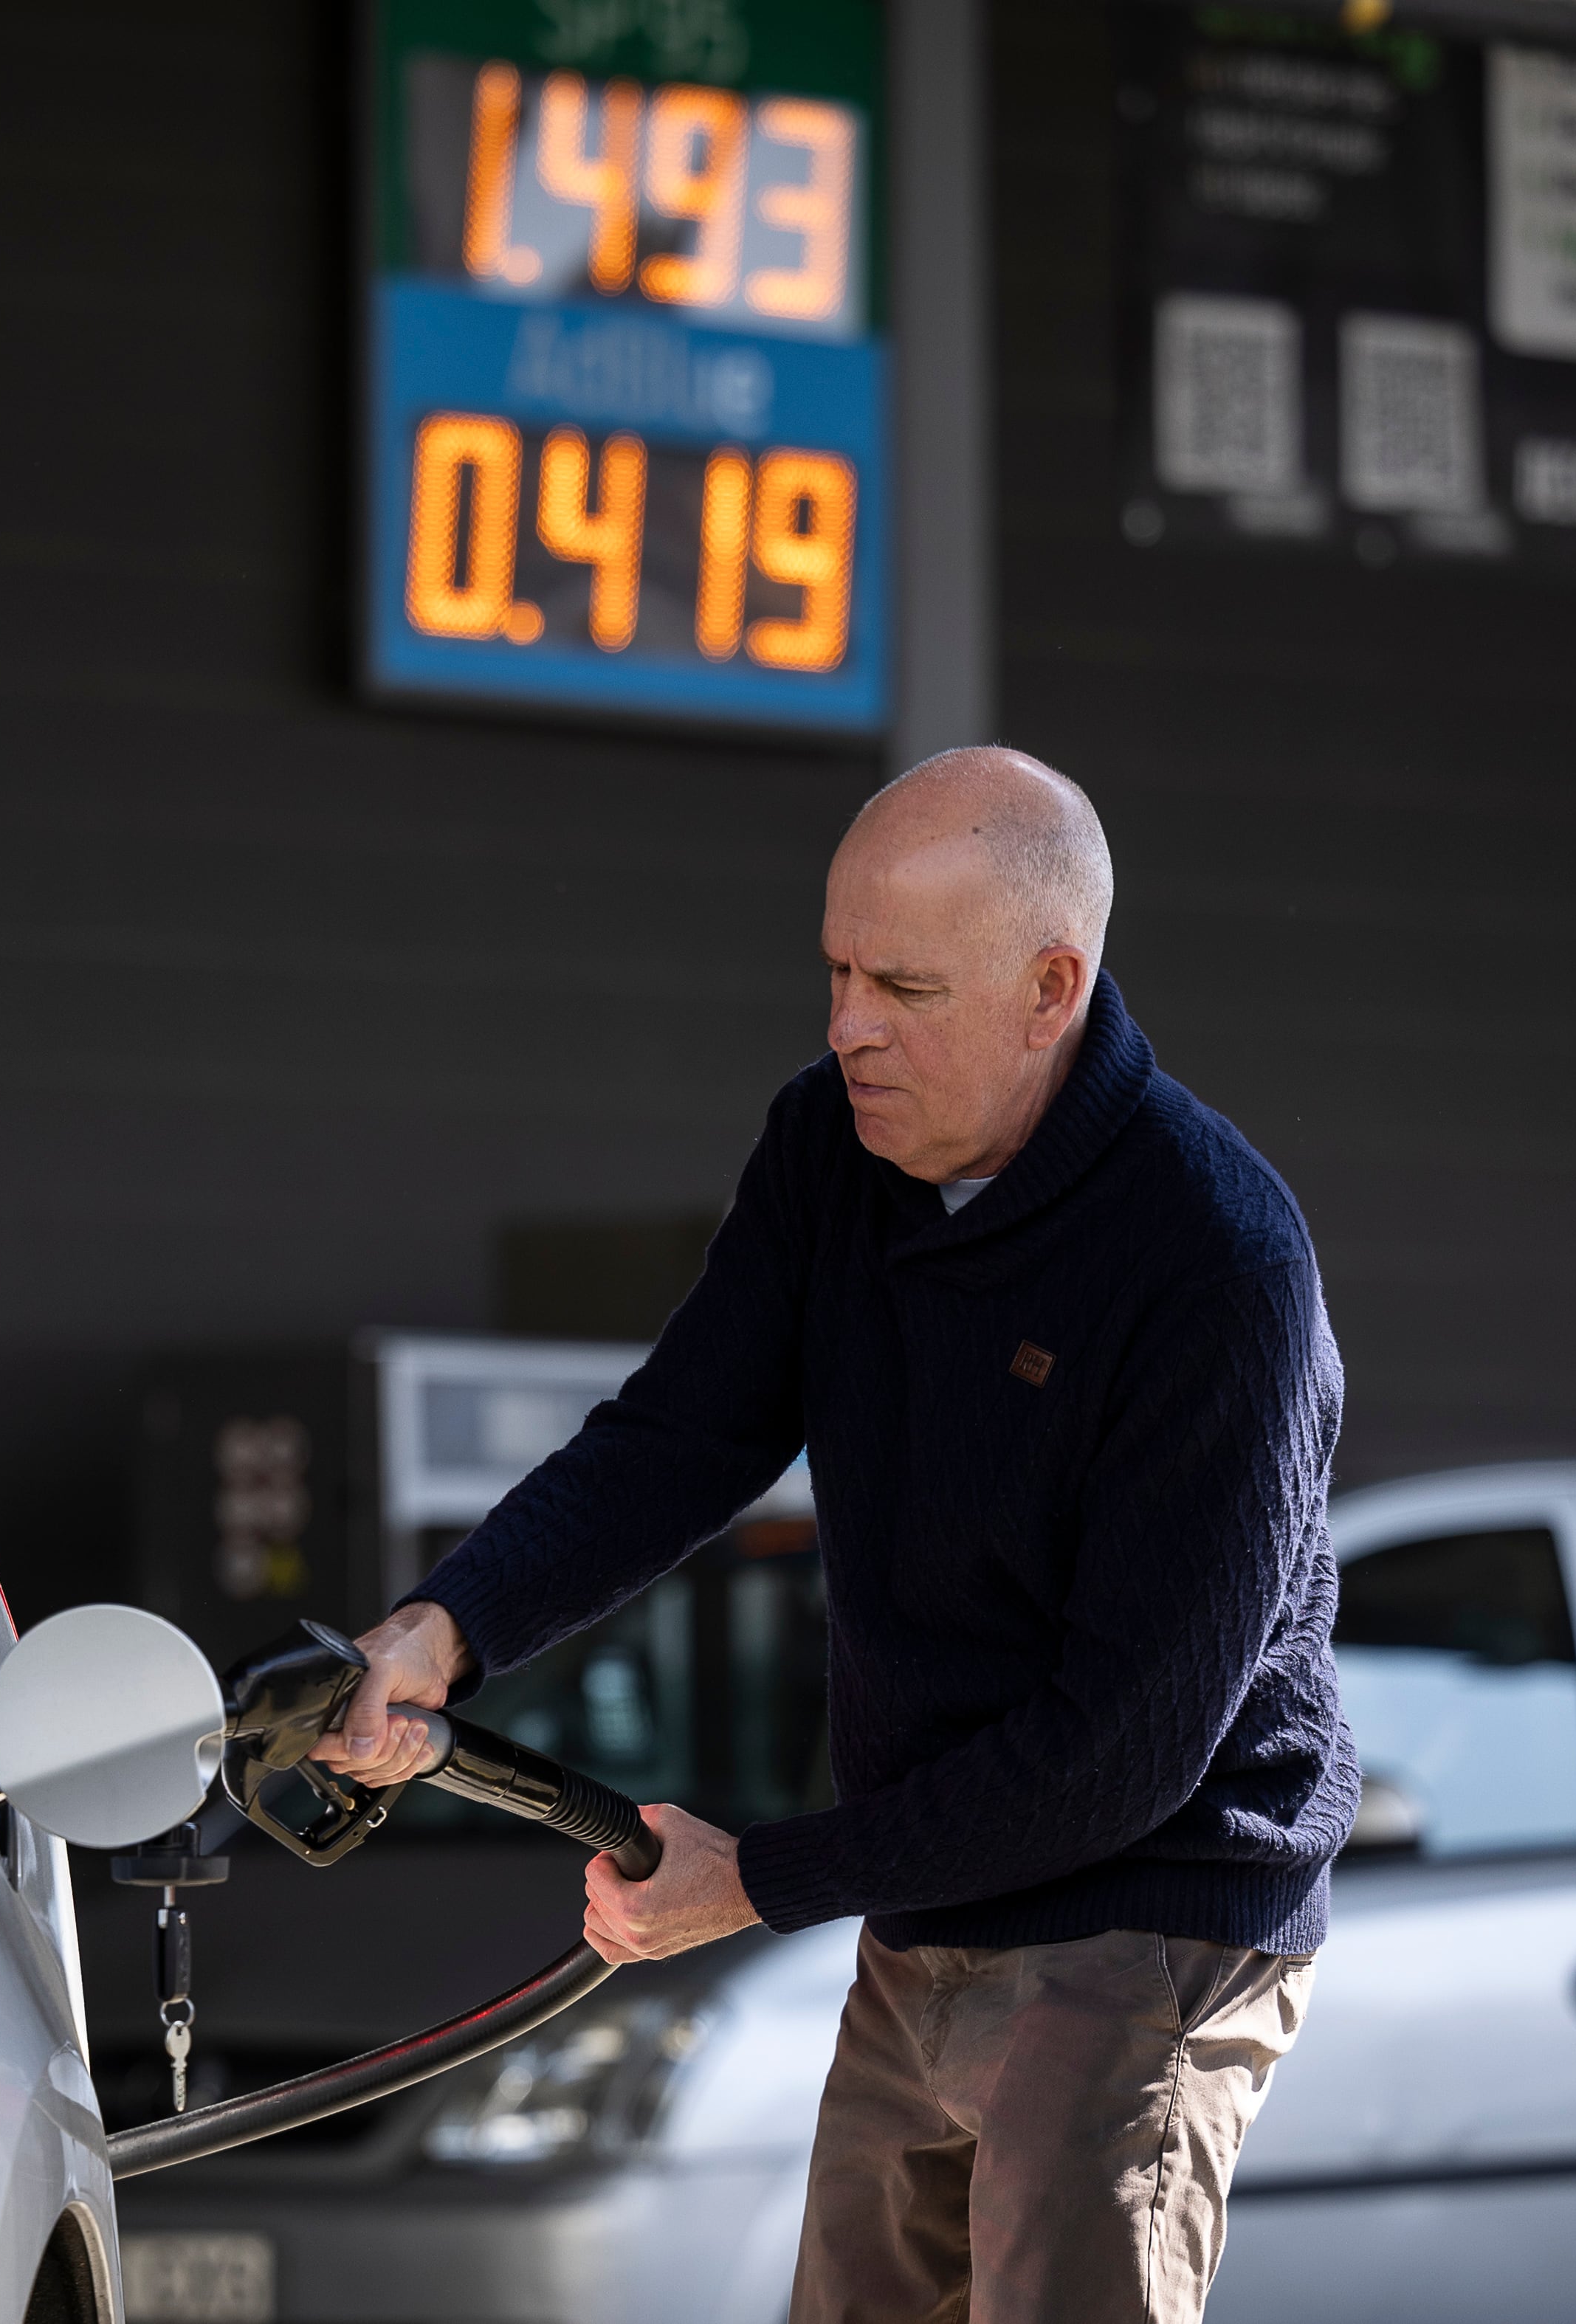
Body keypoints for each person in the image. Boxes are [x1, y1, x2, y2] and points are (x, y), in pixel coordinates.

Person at [314, 748, 1353, 2324]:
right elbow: (681, 1436)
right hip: (934, 1884)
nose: (846, 1025)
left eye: (903, 987)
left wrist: (765, 1879)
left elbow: (1122, 1751)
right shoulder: (832, 1151)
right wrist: (443, 1629)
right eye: (836, 971)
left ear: (1048, 987)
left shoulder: (1214, 1262)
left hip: (1151, 1906)